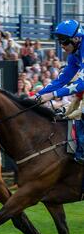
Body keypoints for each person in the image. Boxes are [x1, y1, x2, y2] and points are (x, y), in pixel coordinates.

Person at [36, 20, 84, 164]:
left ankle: (81, 155)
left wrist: (52, 95)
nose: (61, 46)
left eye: (64, 42)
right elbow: (60, 81)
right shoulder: (74, 55)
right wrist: (39, 95)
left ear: (76, 38)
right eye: (59, 42)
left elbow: (81, 84)